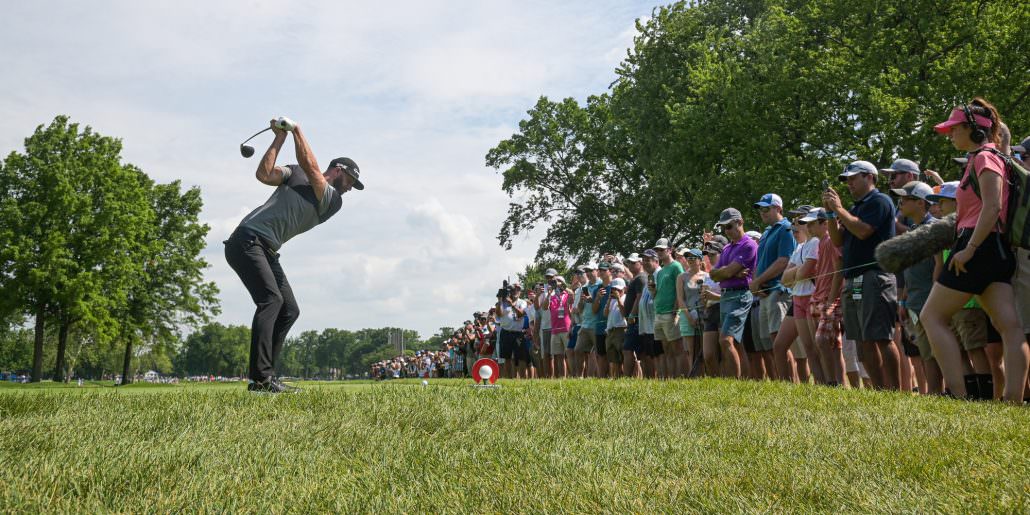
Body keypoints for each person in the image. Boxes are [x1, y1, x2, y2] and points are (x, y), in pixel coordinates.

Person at [225, 118, 364, 394]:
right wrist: (279, 138)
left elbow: (312, 169)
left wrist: (297, 130)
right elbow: (264, 175)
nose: (350, 187)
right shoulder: (296, 172)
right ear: (339, 170)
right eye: (351, 180)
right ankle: (261, 380)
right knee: (271, 300)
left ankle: (266, 378)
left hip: (266, 249)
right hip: (246, 241)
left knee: (289, 309)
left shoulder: (332, 201)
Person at [922, 99, 1029, 402]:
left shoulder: (984, 158)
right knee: (1009, 325)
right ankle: (1013, 399)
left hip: (979, 245)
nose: (950, 135)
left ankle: (959, 393)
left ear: (973, 130)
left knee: (932, 316)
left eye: (955, 129)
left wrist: (969, 249)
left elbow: (992, 206)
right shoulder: (994, 155)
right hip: (997, 249)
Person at [822, 160, 902, 390]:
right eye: (846, 180)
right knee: (862, 338)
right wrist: (830, 213)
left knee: (881, 337)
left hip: (874, 277)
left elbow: (863, 231)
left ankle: (895, 391)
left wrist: (838, 209)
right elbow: (838, 240)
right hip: (854, 280)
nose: (849, 184)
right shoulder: (855, 208)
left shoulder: (879, 201)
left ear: (869, 177)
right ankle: (879, 391)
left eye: (853, 178)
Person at [928, 182, 1004, 399]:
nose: (939, 207)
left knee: (975, 349)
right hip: (949, 302)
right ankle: (969, 395)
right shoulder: (950, 229)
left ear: (958, 202)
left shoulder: (968, 230)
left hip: (968, 302)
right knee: (960, 350)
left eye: (943, 202)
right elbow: (940, 265)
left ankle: (985, 397)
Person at [890, 180, 944, 394]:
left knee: (937, 350)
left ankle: (946, 392)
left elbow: (939, 265)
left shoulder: (932, 228)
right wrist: (902, 300)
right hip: (914, 301)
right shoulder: (914, 229)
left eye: (906, 198)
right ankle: (932, 394)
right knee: (924, 351)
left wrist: (935, 299)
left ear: (922, 203)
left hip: (930, 300)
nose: (900, 202)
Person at [751, 193, 797, 380]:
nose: (762, 213)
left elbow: (784, 261)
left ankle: (790, 385)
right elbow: (761, 261)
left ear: (778, 209)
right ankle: (780, 382)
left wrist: (758, 281)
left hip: (778, 290)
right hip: (765, 292)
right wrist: (756, 283)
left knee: (780, 342)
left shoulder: (785, 228)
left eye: (766, 209)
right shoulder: (767, 232)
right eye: (760, 209)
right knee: (770, 343)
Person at [709, 208, 758, 379]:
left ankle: (734, 382)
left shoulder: (749, 245)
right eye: (724, 228)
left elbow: (725, 272)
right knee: (736, 343)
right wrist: (730, 272)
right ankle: (743, 380)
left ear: (740, 222)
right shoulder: (727, 248)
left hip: (740, 295)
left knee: (726, 340)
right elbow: (713, 274)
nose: (726, 231)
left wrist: (728, 272)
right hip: (726, 296)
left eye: (729, 226)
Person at [653, 238, 685, 378]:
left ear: (670, 250)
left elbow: (681, 289)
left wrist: (676, 310)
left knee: (677, 349)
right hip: (659, 313)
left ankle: (680, 378)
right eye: (657, 250)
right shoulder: (660, 271)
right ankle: (670, 379)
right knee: (666, 350)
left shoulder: (676, 266)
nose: (659, 252)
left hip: (670, 313)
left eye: (662, 249)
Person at [676, 248, 708, 378]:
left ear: (700, 260)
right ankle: (693, 376)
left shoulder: (707, 276)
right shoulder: (682, 277)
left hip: (704, 314)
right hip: (687, 315)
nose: (690, 260)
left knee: (704, 347)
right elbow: (680, 298)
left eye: (693, 257)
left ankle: (705, 375)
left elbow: (708, 297)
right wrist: (689, 316)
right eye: (688, 257)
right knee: (690, 349)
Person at [701, 237, 726, 376]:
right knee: (709, 355)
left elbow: (730, 296)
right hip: (710, 312)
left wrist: (713, 296)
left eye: (713, 254)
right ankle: (717, 382)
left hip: (724, 309)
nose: (709, 258)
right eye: (708, 255)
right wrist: (704, 298)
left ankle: (729, 380)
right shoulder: (708, 275)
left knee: (725, 351)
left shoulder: (729, 270)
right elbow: (705, 301)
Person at [574, 264, 603, 378]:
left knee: (597, 353)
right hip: (585, 323)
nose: (588, 273)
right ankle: (579, 377)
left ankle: (595, 377)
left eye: (591, 270)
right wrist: (582, 301)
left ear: (596, 271)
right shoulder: (584, 287)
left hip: (597, 324)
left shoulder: (601, 285)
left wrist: (593, 299)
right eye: (587, 271)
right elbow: (580, 309)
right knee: (578, 350)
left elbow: (601, 305)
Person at [621, 254, 647, 378]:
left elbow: (639, 296)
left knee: (628, 350)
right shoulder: (636, 278)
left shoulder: (641, 278)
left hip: (635, 320)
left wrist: (632, 313)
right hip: (633, 320)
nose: (630, 265)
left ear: (640, 263)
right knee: (637, 351)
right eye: (629, 263)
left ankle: (627, 378)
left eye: (633, 262)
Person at [639, 249, 663, 378]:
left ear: (656, 261)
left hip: (657, 321)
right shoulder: (650, 276)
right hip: (649, 325)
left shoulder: (660, 275)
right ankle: (657, 380)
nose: (645, 263)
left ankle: (663, 379)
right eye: (643, 260)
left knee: (660, 354)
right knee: (653, 355)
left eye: (648, 260)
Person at [496, 283, 529, 379]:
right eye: (514, 289)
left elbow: (521, 314)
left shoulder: (522, 302)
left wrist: (512, 305)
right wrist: (500, 300)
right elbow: (499, 314)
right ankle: (509, 378)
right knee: (507, 357)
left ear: (520, 291)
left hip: (518, 333)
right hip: (506, 331)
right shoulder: (503, 302)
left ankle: (522, 378)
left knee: (521, 357)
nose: (516, 291)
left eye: (518, 289)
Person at [547, 275, 573, 379]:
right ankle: (563, 377)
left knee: (570, 354)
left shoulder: (567, 294)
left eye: (558, 281)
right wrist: (548, 293)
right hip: (555, 329)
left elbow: (572, 294)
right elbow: (544, 307)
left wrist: (563, 286)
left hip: (566, 328)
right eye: (554, 282)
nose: (555, 283)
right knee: (558, 356)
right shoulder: (552, 297)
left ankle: (574, 375)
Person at [604, 278, 628, 378]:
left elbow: (624, 313)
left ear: (624, 289)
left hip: (621, 329)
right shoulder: (611, 300)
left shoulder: (625, 298)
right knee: (613, 358)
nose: (616, 291)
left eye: (619, 289)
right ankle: (616, 377)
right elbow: (605, 314)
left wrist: (618, 299)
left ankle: (628, 377)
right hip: (611, 330)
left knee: (623, 356)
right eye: (614, 289)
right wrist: (609, 300)